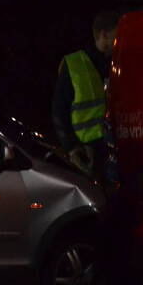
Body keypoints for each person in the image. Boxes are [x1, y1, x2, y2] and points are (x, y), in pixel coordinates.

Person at [51, 11, 119, 184]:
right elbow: (60, 110)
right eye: (117, 36)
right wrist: (72, 148)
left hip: (111, 148)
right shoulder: (74, 64)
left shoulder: (116, 62)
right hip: (87, 153)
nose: (120, 41)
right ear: (104, 35)